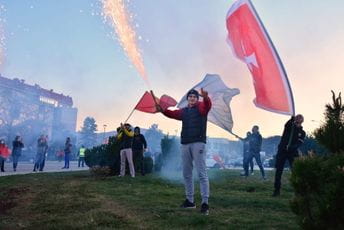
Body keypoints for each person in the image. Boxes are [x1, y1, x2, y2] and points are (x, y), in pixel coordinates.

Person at [157, 88, 212, 215]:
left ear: (197, 99)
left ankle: (205, 203)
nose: (192, 98)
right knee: (187, 173)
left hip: (198, 143)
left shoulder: (201, 108)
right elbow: (172, 114)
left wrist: (206, 98)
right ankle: (190, 201)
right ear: (187, 99)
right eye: (190, 96)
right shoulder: (184, 111)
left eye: (194, 97)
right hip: (185, 143)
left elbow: (207, 106)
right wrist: (163, 110)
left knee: (202, 174)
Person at [273, 115, 305, 197]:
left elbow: (299, 143)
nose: (298, 118)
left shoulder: (302, 132)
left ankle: (298, 191)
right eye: (297, 117)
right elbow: (286, 125)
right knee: (278, 172)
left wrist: (292, 147)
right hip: (282, 151)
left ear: (302, 120)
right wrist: (291, 119)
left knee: (295, 172)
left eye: (300, 118)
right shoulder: (289, 127)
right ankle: (276, 190)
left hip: (292, 153)